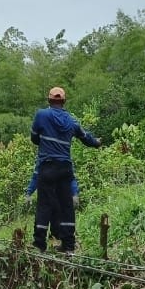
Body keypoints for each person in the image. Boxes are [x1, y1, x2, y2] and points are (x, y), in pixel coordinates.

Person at [30, 86, 101, 253]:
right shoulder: (71, 121)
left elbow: (34, 138)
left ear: (49, 100)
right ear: (63, 101)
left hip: (47, 166)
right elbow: (86, 138)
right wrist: (97, 142)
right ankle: (68, 246)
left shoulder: (41, 115)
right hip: (65, 168)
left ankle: (39, 244)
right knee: (66, 206)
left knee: (44, 205)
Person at [25, 158, 79, 245]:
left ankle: (56, 243)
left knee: (57, 225)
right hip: (46, 197)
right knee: (41, 221)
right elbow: (35, 177)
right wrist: (28, 193)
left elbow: (71, 179)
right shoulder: (42, 160)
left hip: (60, 199)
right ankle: (40, 245)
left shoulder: (66, 160)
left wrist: (75, 194)